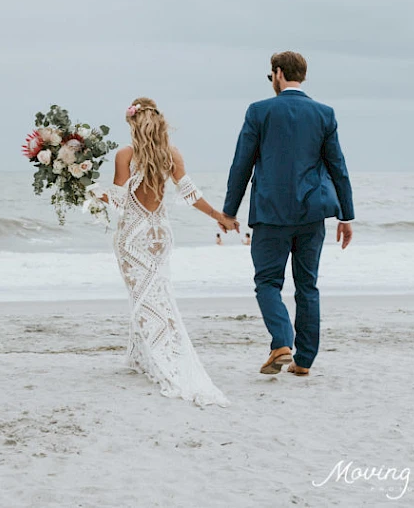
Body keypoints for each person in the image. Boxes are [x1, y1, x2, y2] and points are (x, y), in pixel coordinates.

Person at [219, 52, 354, 377]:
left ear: (278, 73)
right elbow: (338, 167)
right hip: (312, 213)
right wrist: (346, 216)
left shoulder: (260, 111)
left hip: (270, 212)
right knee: (307, 286)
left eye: (271, 76)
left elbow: (242, 164)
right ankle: (304, 361)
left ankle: (281, 342)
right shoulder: (324, 113)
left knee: (267, 282)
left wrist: (228, 211)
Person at [90, 97, 229, 407]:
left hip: (132, 238)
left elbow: (119, 202)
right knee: (159, 296)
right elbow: (192, 195)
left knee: (142, 299)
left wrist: (87, 188)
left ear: (133, 124)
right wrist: (219, 216)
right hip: (160, 235)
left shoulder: (125, 155)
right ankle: (143, 358)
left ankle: (160, 359)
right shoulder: (172, 155)